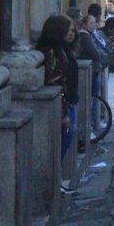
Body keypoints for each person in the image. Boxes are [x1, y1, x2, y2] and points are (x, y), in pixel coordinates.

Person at [35, 14, 79, 160]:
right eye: (68, 30)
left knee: (67, 139)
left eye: (73, 30)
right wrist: (63, 113)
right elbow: (55, 81)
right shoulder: (52, 52)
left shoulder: (64, 49)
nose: (72, 34)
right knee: (64, 141)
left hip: (69, 103)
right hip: (64, 105)